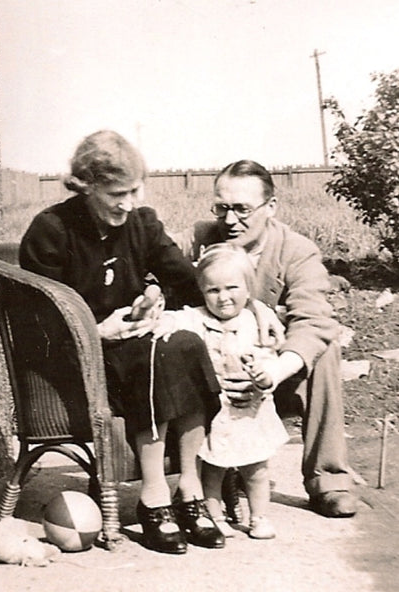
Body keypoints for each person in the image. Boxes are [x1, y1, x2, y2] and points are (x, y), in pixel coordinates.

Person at [19, 130, 225, 554]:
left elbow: (186, 282)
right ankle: (154, 496)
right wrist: (93, 331)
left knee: (184, 342)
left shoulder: (141, 223)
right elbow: (32, 324)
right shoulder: (52, 231)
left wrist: (159, 297)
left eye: (134, 190)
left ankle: (188, 487)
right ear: (85, 185)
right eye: (116, 193)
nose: (127, 203)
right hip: (77, 361)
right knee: (161, 353)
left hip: (137, 347)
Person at [176, 159, 357, 518]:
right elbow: (151, 259)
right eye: (221, 208)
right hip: (207, 374)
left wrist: (273, 371)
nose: (229, 220)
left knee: (325, 352)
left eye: (242, 209)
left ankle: (328, 479)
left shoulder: (296, 251)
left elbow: (314, 322)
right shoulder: (198, 239)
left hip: (272, 374)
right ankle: (188, 479)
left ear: (270, 207)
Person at [153, 244, 288, 539]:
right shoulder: (198, 318)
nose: (223, 297)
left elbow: (270, 358)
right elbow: (177, 318)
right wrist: (164, 321)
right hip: (217, 413)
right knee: (212, 469)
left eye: (232, 288)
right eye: (213, 290)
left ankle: (259, 517)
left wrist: (264, 376)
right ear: (201, 290)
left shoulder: (255, 322)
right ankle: (214, 516)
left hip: (251, 411)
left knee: (257, 469)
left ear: (248, 288)